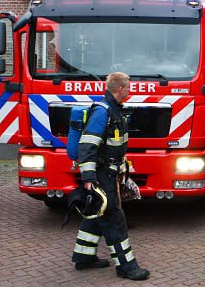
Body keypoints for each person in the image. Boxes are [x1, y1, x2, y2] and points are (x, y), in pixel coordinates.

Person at [71, 72, 149, 281]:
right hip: (101, 175)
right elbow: (87, 146)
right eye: (128, 87)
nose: (130, 91)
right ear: (120, 89)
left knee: (96, 212)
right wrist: (88, 178)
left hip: (110, 173)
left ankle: (84, 257)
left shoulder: (115, 110)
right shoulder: (102, 112)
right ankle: (127, 267)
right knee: (113, 218)